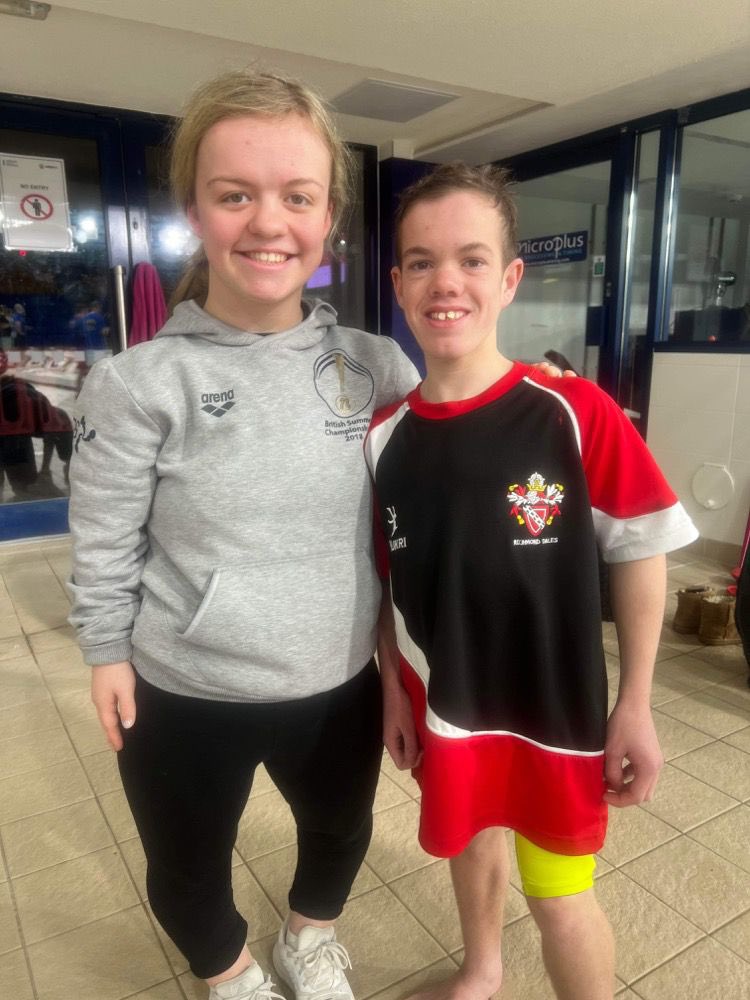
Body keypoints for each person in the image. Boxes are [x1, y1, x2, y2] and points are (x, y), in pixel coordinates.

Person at [68, 72, 566, 1000]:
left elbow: (456, 437)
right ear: (195, 210)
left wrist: (536, 400)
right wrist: (104, 651)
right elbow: (102, 539)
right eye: (235, 194)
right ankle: (236, 977)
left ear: (327, 215)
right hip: (184, 685)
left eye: (296, 196)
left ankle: (308, 941)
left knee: (339, 836)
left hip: (340, 678)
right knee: (187, 866)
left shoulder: (374, 364)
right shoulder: (140, 382)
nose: (268, 222)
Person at [365, 163, 699, 1000]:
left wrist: (636, 703)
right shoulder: (382, 437)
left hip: (554, 713)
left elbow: (642, 549)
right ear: (397, 282)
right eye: (421, 261)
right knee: (470, 839)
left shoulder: (573, 411)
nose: (447, 282)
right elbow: (385, 578)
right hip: (446, 705)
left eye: (472, 260)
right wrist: (394, 695)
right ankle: (481, 969)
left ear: (509, 279)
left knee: (561, 900)